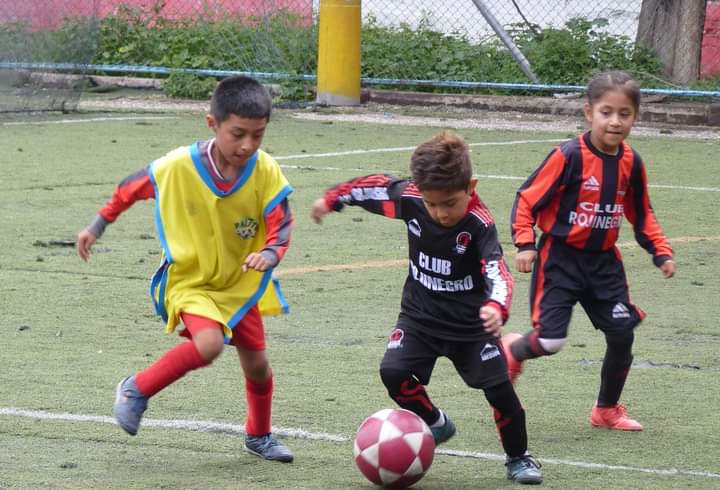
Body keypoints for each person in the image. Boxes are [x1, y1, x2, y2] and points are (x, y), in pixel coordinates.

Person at [76, 76, 295, 462]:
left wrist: (272, 253)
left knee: (258, 366)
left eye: (258, 135)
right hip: (190, 281)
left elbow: (282, 222)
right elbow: (131, 187)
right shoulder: (178, 166)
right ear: (212, 124)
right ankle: (135, 389)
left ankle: (258, 436)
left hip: (240, 285)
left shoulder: (265, 170)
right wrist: (98, 224)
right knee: (208, 345)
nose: (248, 145)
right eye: (238, 133)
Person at [311, 132, 543, 484]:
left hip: (471, 328)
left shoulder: (479, 225)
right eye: (432, 204)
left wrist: (497, 306)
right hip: (420, 318)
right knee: (393, 372)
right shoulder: (411, 199)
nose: (440, 213)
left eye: (449, 203)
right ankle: (435, 423)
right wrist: (333, 198)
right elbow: (373, 189)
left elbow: (498, 271)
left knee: (499, 390)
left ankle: (519, 457)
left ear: (471, 187)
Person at [504, 70, 676, 432]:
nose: (615, 121)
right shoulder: (568, 156)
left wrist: (660, 251)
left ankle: (606, 409)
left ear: (635, 117)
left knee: (622, 332)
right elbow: (526, 199)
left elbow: (641, 212)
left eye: (624, 114)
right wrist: (524, 243)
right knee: (551, 341)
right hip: (560, 261)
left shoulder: (632, 162)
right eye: (606, 112)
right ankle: (514, 350)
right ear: (588, 113)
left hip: (604, 265)